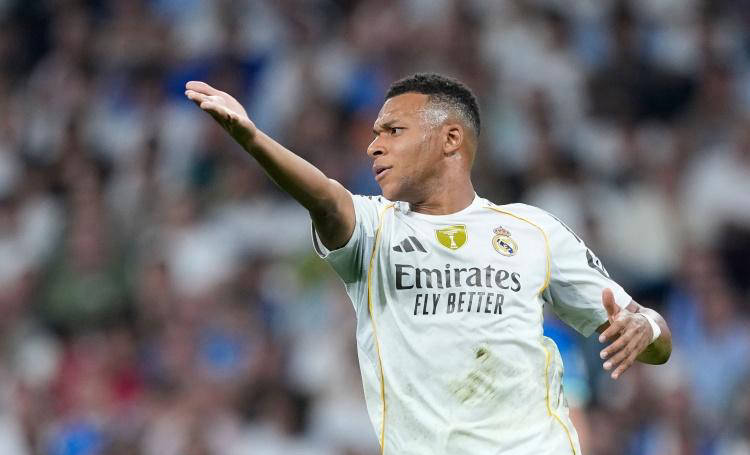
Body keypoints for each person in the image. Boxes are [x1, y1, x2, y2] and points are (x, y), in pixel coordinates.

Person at [184, 73, 672, 454]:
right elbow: (328, 201)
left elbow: (654, 338)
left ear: (451, 139)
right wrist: (254, 140)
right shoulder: (374, 230)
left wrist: (645, 327)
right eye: (374, 134)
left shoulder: (533, 230)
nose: (374, 146)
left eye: (393, 130)